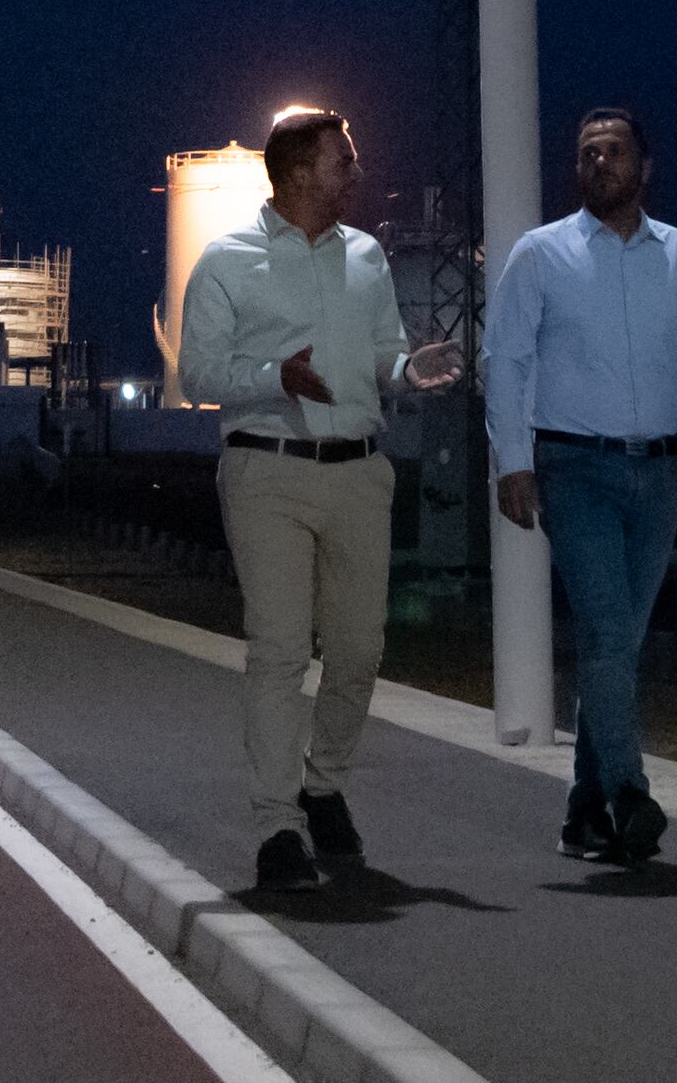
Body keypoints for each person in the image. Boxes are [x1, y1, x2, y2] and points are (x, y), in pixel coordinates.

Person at [174, 103, 467, 890]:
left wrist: (410, 368)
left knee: (360, 647)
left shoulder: (367, 257)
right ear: (300, 170)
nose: (356, 172)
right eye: (344, 159)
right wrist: (275, 376)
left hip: (358, 472)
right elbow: (197, 371)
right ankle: (277, 826)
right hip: (266, 467)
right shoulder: (227, 259)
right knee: (278, 648)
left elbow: (382, 355)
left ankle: (323, 781)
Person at [482, 104, 677, 865]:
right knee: (606, 630)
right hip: (574, 468)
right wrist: (513, 460)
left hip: (660, 473)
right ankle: (630, 792)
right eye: (587, 152)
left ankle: (582, 811)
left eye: (614, 150)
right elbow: (507, 361)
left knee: (617, 644)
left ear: (644, 167)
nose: (599, 162)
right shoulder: (540, 255)